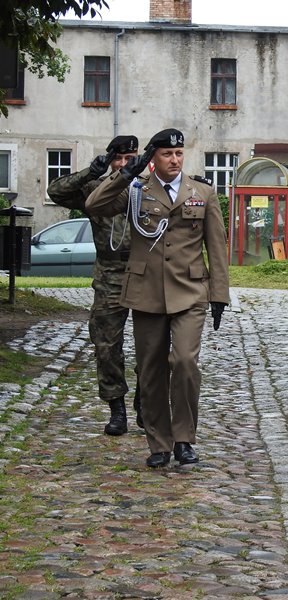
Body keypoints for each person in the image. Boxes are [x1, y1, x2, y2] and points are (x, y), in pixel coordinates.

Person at [86, 128, 230, 468]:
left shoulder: (202, 192)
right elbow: (94, 204)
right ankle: (159, 444)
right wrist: (126, 173)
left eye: (179, 154)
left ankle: (184, 439)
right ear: (154, 157)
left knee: (184, 362)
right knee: (150, 370)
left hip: (190, 291)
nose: (175, 160)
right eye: (167, 154)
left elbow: (217, 246)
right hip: (147, 291)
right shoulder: (136, 190)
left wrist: (219, 295)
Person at [47, 135, 142, 436]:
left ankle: (145, 400)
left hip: (146, 274)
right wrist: (91, 171)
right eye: (118, 159)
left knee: (152, 345)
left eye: (130, 159)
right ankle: (117, 409)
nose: (123, 164)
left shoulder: (149, 188)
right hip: (109, 275)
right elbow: (56, 192)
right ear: (110, 160)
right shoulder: (95, 188)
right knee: (106, 345)